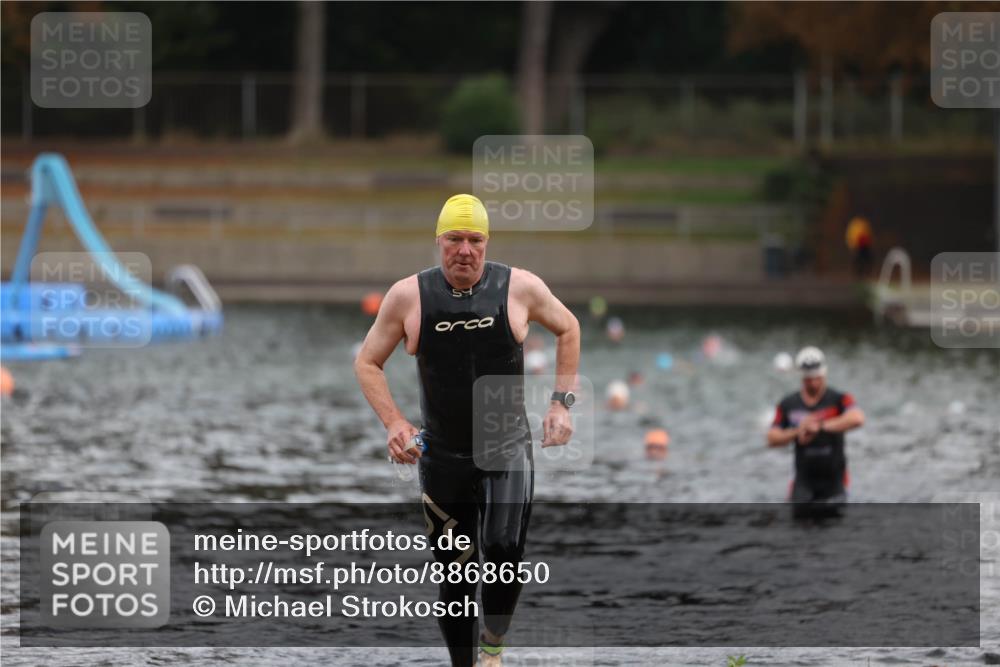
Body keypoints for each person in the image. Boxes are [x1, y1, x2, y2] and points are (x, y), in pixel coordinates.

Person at [354, 194, 581, 667]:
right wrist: (395, 422)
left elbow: (569, 328)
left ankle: (492, 651)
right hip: (443, 456)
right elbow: (368, 362)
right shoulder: (408, 296)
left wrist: (562, 404)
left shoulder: (519, 287)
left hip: (506, 448)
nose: (465, 250)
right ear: (439, 242)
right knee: (455, 573)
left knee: (503, 548)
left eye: (474, 240)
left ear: (486, 243)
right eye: (454, 239)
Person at [766, 346, 865, 517]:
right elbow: (771, 438)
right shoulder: (788, 404)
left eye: (817, 378)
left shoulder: (839, 399)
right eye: (808, 379)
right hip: (804, 480)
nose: (813, 383)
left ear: (824, 374)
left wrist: (819, 426)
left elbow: (857, 418)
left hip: (834, 480)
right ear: (802, 378)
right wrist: (798, 431)